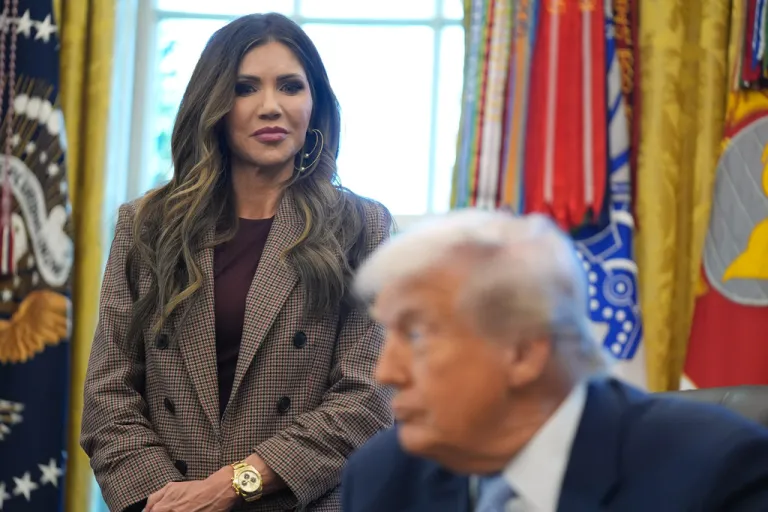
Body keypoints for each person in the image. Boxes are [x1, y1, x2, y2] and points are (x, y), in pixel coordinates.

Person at [81, 13, 393, 512]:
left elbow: (367, 399)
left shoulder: (361, 227)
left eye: (290, 86)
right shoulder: (146, 224)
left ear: (314, 105)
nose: (271, 106)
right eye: (246, 88)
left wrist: (231, 485)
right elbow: (108, 396)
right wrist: (168, 502)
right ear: (215, 105)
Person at [341, 210, 768, 512]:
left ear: (525, 350)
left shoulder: (715, 473)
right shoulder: (383, 477)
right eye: (388, 334)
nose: (385, 372)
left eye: (416, 335)